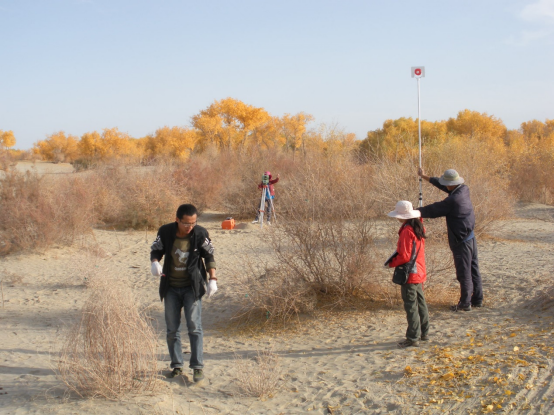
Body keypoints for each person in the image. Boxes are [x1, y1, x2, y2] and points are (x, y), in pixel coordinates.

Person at [150, 204, 217, 382]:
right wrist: (155, 262)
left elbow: (209, 256)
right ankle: (177, 366)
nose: (190, 227)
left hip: (192, 288)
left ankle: (197, 367)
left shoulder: (200, 233)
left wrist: (212, 279)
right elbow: (156, 249)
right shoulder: (165, 231)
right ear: (177, 219)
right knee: (172, 330)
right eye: (186, 223)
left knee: (195, 327)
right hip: (170, 287)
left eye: (193, 223)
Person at [417, 168, 483, 312]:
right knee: (473, 269)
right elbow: (444, 186)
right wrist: (425, 177)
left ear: (451, 184)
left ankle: (465, 303)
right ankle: (477, 299)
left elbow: (434, 209)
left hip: (461, 241)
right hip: (470, 237)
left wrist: (416, 212)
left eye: (447, 184)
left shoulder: (453, 200)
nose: (445, 186)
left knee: (464, 273)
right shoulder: (464, 190)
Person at [386, 200, 429, 348]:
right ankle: (424, 332)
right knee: (420, 303)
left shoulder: (406, 231)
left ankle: (413, 337)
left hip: (410, 273)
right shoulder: (419, 227)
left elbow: (404, 256)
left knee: (411, 305)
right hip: (420, 271)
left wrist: (392, 263)